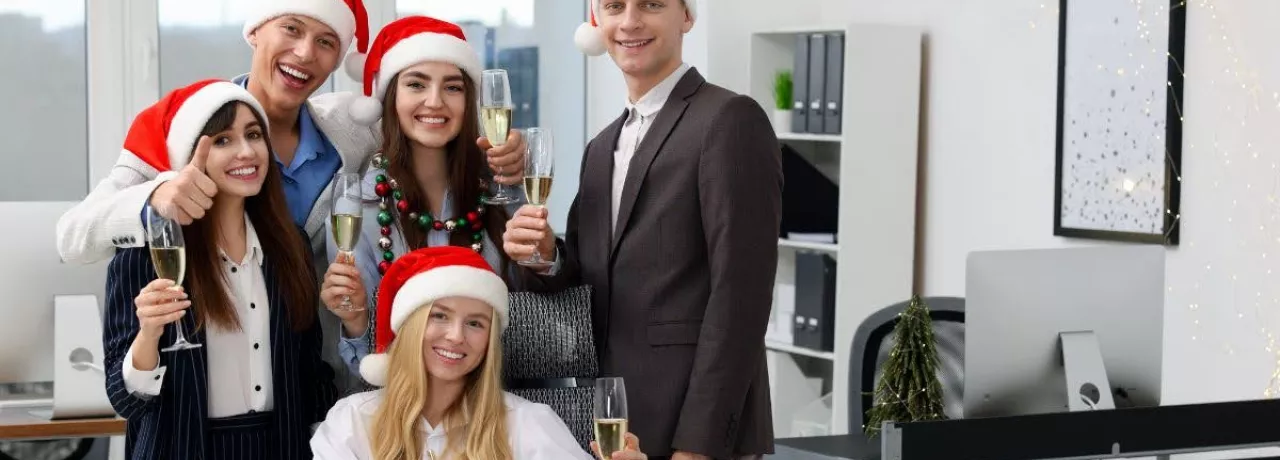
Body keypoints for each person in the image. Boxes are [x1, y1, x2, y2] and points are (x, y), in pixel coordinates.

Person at [55, 0, 527, 395]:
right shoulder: (185, 123)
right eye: (292, 28)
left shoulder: (350, 129)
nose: (305, 53)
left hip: (324, 379)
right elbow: (73, 237)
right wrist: (157, 192)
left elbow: (430, 112)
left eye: (326, 42)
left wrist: (505, 151)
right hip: (214, 386)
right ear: (256, 30)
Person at [505, 0, 782, 458]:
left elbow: (741, 299)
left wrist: (697, 447)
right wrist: (544, 255)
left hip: (693, 431)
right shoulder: (600, 147)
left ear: (687, 17)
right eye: (615, 6)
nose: (630, 21)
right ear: (598, 21)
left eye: (651, 4)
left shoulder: (730, 119)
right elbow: (585, 273)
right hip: (613, 422)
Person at [101, 79, 336, 459]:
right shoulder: (146, 254)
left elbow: (309, 373)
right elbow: (125, 401)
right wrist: (148, 334)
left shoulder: (291, 245)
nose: (246, 151)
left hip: (281, 447)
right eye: (223, 140)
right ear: (189, 159)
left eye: (254, 134)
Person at [317, 15, 536, 379]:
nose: (434, 102)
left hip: (502, 403)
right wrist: (355, 321)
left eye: (452, 88)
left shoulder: (504, 187)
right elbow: (367, 362)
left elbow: (542, 297)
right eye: (416, 85)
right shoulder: (357, 209)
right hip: (400, 410)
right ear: (390, 99)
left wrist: (545, 258)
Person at [310, 246, 648, 460]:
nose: (456, 336)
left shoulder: (527, 423)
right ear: (409, 327)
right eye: (439, 316)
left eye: (475, 323)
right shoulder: (351, 422)